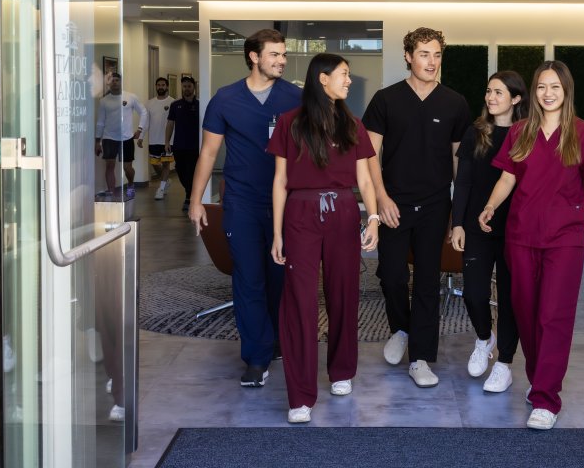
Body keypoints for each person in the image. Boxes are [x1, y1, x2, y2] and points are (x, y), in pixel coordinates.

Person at [478, 60, 584, 430]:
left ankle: (546, 398)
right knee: (526, 314)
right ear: (534, 92)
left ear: (566, 90)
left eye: (555, 86)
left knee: (553, 315)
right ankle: (540, 380)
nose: (548, 93)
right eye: (541, 87)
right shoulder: (520, 131)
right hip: (521, 237)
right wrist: (490, 205)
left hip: (565, 239)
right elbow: (507, 177)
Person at [269, 53, 380, 423]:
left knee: (343, 292)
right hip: (300, 213)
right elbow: (280, 181)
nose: (349, 81)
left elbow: (365, 178)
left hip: (345, 211)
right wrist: (277, 232)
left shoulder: (352, 123)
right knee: (299, 301)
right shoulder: (290, 123)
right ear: (322, 78)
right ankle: (300, 395)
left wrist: (374, 218)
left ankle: (342, 370)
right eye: (344, 75)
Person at [189, 29, 301, 387]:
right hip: (242, 203)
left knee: (279, 277)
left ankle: (276, 339)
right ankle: (255, 357)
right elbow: (208, 152)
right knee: (248, 277)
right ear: (254, 56)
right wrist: (195, 200)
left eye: (283, 54)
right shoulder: (226, 99)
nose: (281, 60)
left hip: (287, 204)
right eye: (274, 54)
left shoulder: (295, 98)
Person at [362, 27, 471, 387]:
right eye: (424, 54)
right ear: (408, 56)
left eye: (437, 54)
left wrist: (459, 214)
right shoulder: (385, 99)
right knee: (391, 275)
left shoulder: (455, 103)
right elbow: (370, 155)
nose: (432, 62)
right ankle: (401, 329)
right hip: (394, 202)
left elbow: (460, 163)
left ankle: (421, 358)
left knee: (427, 281)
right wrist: (381, 200)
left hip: (436, 204)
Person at [450, 71, 527, 392]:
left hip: (516, 229)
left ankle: (505, 362)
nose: (490, 98)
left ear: (516, 99)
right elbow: (463, 181)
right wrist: (457, 223)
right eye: (488, 92)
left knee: (511, 300)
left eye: (498, 92)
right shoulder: (475, 132)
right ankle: (485, 338)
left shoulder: (528, 134)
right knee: (473, 293)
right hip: (476, 226)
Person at [95, 72, 148, 200]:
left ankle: (130, 184)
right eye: (112, 81)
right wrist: (97, 141)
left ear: (120, 82)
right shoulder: (104, 101)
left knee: (127, 167)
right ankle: (111, 192)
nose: (114, 83)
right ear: (108, 83)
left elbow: (144, 112)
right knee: (110, 165)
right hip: (109, 138)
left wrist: (140, 129)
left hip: (127, 138)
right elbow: (101, 122)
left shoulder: (130, 97)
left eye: (117, 80)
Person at [166, 76, 200, 212]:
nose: (186, 89)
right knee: (180, 171)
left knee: (191, 171)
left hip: (195, 145)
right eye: (184, 86)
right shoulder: (175, 105)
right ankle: (189, 191)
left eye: (189, 86)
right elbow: (170, 124)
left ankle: (189, 197)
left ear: (194, 87)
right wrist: (167, 141)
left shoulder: (200, 104)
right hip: (179, 145)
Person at [145, 77, 175, 200]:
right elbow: (146, 121)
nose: (161, 87)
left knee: (166, 164)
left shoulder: (173, 102)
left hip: (167, 140)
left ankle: (161, 189)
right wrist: (141, 137)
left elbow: (174, 122)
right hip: (153, 139)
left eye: (163, 85)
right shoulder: (149, 103)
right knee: (155, 164)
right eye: (158, 85)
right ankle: (166, 180)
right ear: (156, 86)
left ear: (167, 87)